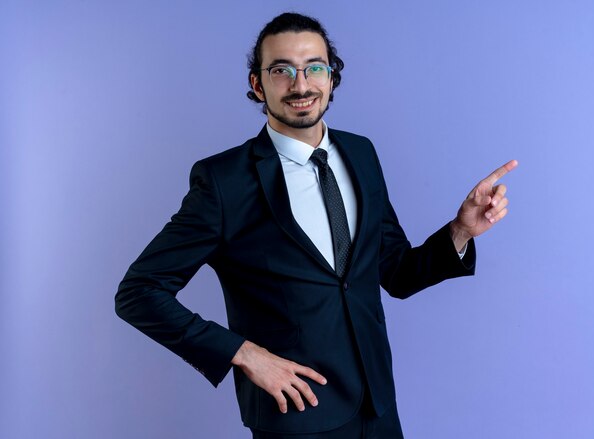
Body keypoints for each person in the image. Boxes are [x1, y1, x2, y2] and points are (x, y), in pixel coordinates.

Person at [115, 12, 517, 438]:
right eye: (282, 70)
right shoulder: (223, 182)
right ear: (258, 84)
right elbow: (138, 293)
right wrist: (245, 354)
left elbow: (396, 272)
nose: (301, 84)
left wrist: (460, 230)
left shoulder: (361, 154)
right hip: (295, 414)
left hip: (377, 406)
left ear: (331, 78)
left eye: (314, 68)